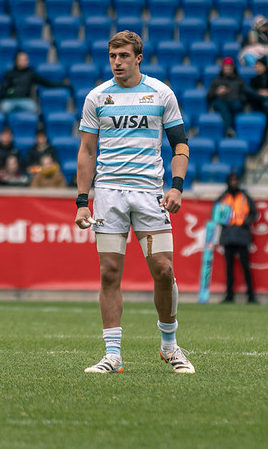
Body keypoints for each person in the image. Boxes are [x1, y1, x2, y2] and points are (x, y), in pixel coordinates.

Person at [75, 31, 194, 374]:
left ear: (138, 58)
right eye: (113, 56)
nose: (117, 63)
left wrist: (177, 187)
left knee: (164, 270)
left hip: (149, 195)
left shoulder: (161, 94)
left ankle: (169, 346)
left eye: (124, 56)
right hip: (109, 195)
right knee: (109, 273)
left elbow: (180, 145)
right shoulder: (97, 97)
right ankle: (112, 355)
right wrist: (83, 201)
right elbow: (86, 151)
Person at [216, 172, 258, 304]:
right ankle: (229, 295)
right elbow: (217, 213)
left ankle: (251, 295)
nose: (234, 183)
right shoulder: (223, 197)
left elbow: (254, 213)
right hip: (228, 235)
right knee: (229, 268)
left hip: (241, 235)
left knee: (246, 267)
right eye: (231, 180)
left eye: (235, 180)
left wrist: (245, 222)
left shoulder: (244, 196)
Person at [0, 52, 71, 114]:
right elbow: (3, 90)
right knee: (4, 108)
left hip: (25, 100)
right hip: (11, 100)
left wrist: (63, 85)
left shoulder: (31, 74)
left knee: (34, 109)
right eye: (24, 60)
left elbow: (46, 83)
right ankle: (6, 129)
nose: (27, 62)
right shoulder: (9, 74)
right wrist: (10, 93)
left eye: (27, 60)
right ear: (17, 61)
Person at [207, 56, 248, 138]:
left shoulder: (238, 80)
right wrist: (217, 92)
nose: (228, 68)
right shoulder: (217, 80)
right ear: (223, 68)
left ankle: (232, 131)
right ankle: (229, 130)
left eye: (230, 66)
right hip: (220, 102)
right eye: (226, 66)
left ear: (233, 67)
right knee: (223, 107)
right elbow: (208, 96)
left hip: (234, 102)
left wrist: (238, 98)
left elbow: (245, 95)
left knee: (235, 105)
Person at [247, 56, 268, 125]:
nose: (257, 68)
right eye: (256, 67)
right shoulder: (253, 80)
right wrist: (259, 92)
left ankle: (267, 124)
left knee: (267, 103)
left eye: (259, 66)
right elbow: (251, 93)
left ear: (264, 66)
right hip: (258, 102)